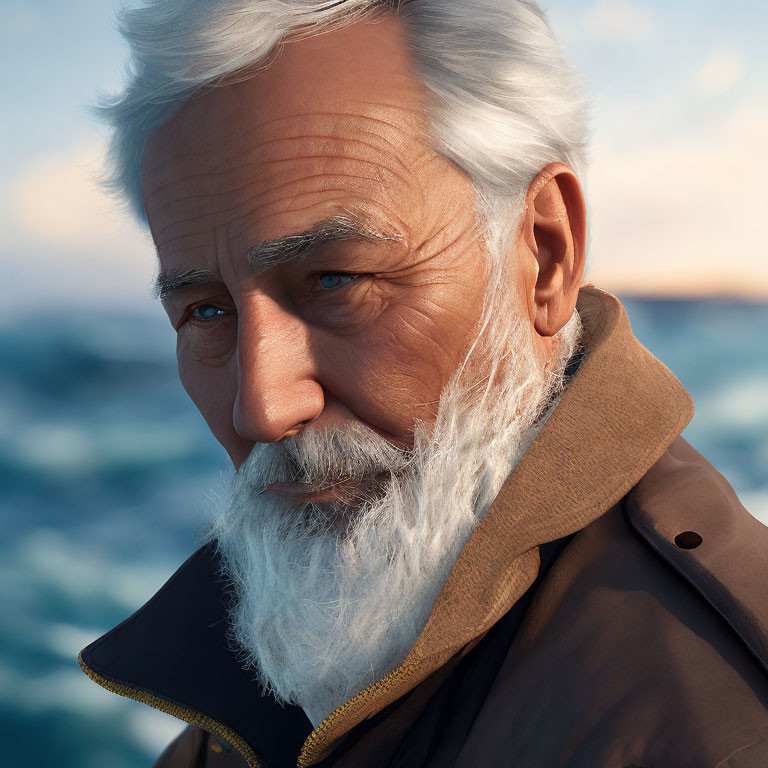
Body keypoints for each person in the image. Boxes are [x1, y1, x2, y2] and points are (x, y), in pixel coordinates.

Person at [79, 2, 768, 766]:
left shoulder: (721, 726)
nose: (263, 406)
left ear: (543, 255)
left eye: (337, 280)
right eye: (206, 311)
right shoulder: (275, 664)